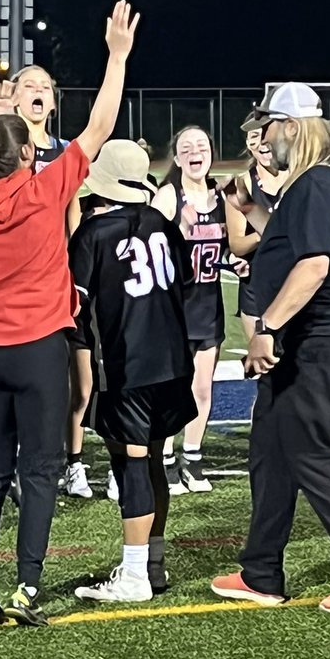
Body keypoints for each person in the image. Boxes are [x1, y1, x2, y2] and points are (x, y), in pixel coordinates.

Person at [0, 0, 140, 627]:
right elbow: (100, 123)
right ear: (24, 150)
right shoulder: (49, 185)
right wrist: (117, 55)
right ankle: (26, 591)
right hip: (40, 350)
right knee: (39, 474)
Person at [210, 82, 330, 615]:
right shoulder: (323, 178)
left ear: (291, 127)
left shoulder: (318, 181)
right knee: (270, 450)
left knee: (308, 449)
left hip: (316, 336)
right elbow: (294, 242)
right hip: (308, 334)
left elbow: (314, 265)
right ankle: (261, 572)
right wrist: (252, 212)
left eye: (268, 127)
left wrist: (266, 327)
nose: (262, 138)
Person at [0, 0, 93, 500]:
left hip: (54, 282)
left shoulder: (63, 150)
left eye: (43, 86)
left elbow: (73, 213)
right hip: (6, 284)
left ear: (53, 100)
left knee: (77, 383)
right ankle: (10, 469)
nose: (35, 91)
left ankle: (68, 461)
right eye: (27, 83)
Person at [69, 140, 196, 602]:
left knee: (133, 464)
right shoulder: (160, 221)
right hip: (173, 361)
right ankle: (152, 562)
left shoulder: (93, 234)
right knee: (153, 461)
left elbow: (73, 306)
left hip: (128, 364)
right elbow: (183, 282)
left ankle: (136, 573)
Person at [153, 126, 228, 493]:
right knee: (173, 388)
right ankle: (165, 458)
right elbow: (150, 247)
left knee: (201, 387)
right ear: (177, 156)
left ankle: (193, 457)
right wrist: (180, 226)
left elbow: (230, 247)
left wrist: (236, 262)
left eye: (201, 145)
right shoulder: (169, 195)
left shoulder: (223, 196)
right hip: (173, 307)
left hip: (208, 304)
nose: (195, 152)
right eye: (187, 147)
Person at [226, 112, 285, 339]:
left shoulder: (300, 177)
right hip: (256, 289)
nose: (261, 143)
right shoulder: (239, 185)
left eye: (266, 134)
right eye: (254, 136)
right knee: (265, 366)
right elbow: (237, 245)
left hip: (294, 283)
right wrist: (270, 230)